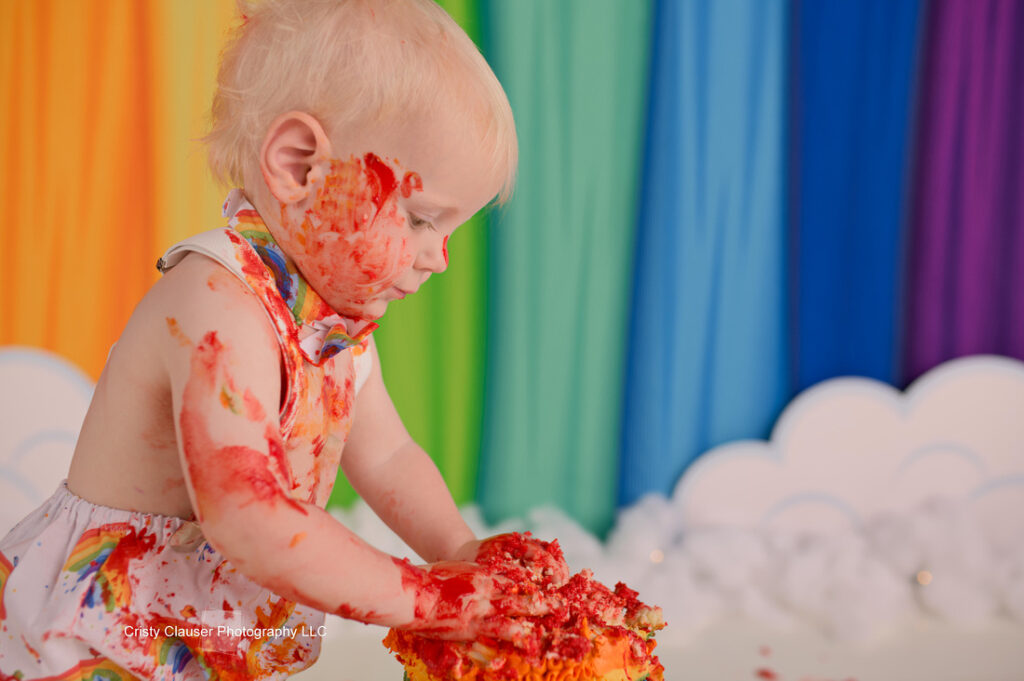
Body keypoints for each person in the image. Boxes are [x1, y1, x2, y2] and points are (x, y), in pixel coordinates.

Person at [0, 1, 567, 679]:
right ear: (300, 166)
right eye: (420, 219)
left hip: (200, 628)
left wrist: (458, 549)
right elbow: (246, 515)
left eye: (448, 233)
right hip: (102, 633)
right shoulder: (216, 304)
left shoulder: (333, 327)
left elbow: (386, 456)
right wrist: (426, 599)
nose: (437, 257)